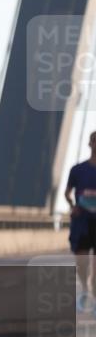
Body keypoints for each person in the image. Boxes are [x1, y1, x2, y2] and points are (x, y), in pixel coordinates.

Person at [64, 130, 96, 312]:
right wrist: (72, 206)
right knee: (82, 262)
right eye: (94, 140)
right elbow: (67, 193)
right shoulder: (77, 170)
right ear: (89, 143)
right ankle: (84, 289)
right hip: (82, 222)